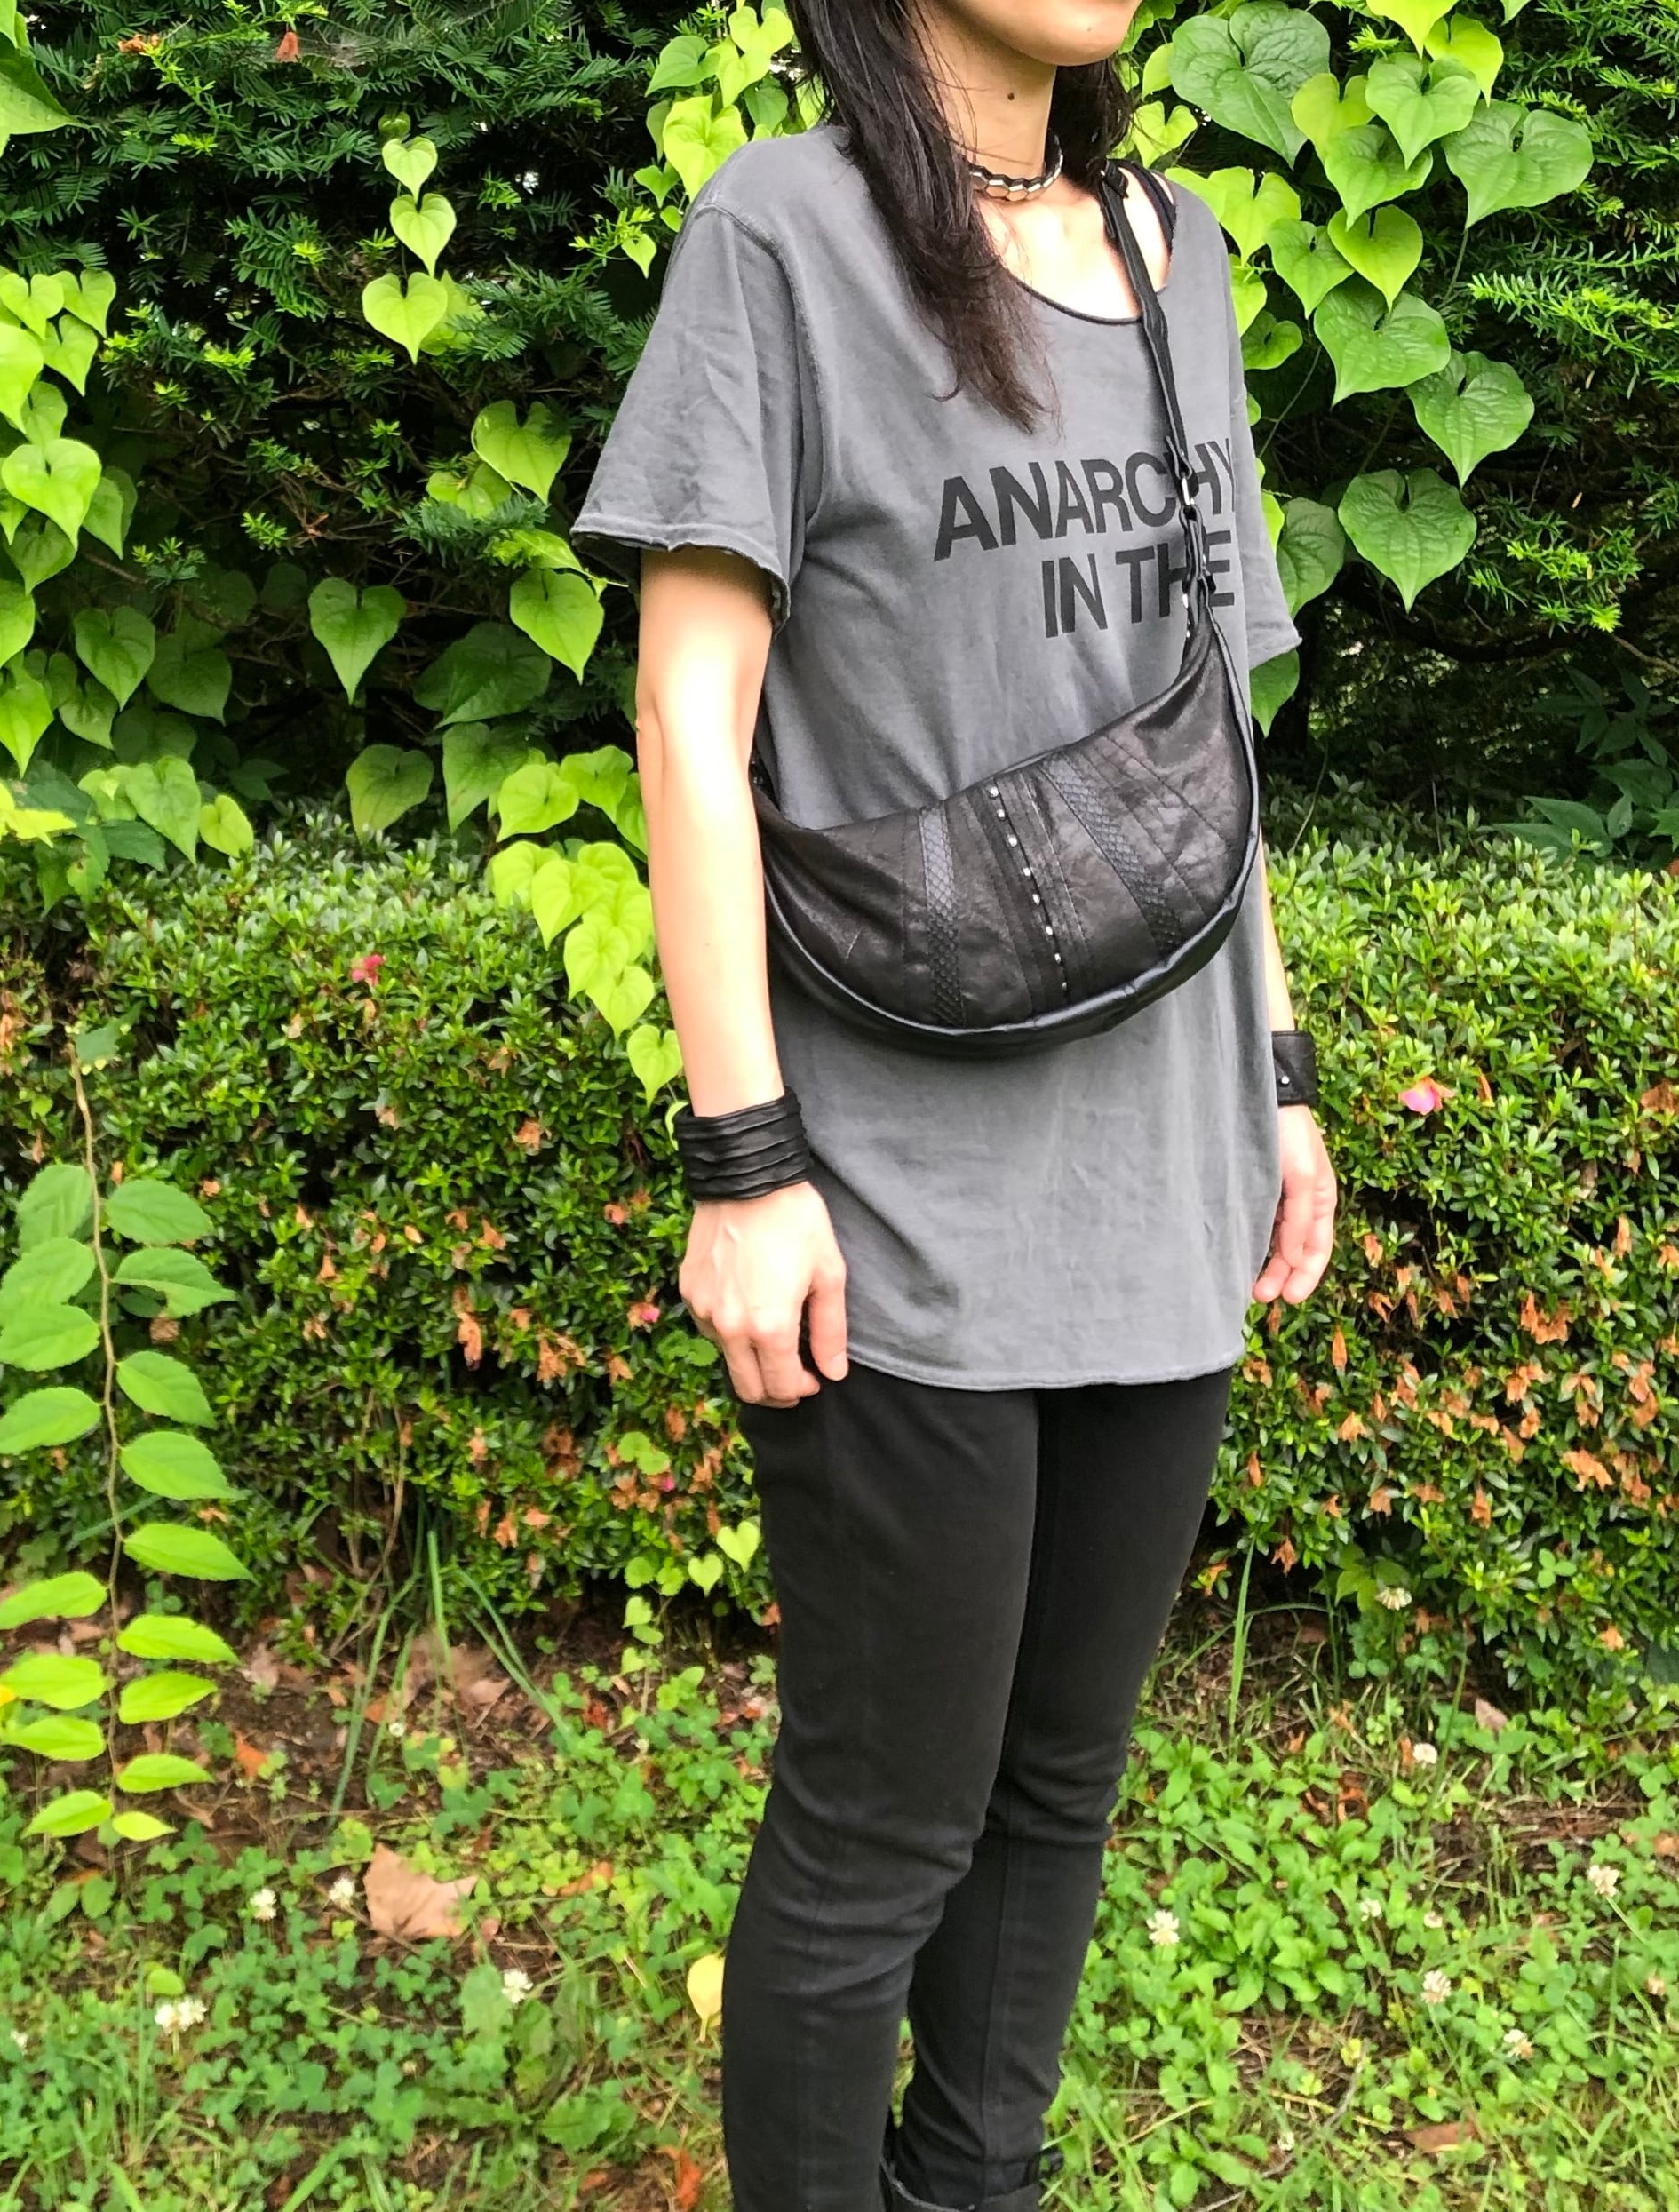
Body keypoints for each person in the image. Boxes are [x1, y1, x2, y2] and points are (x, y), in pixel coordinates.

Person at [569, 1, 1338, 2207]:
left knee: (1058, 1781)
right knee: (879, 1821)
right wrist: (742, 1161)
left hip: (1163, 1159)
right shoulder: (782, 234)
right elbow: (686, 714)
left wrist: (1275, 1073)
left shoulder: (1175, 252)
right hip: (893, 1193)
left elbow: (1208, 732)